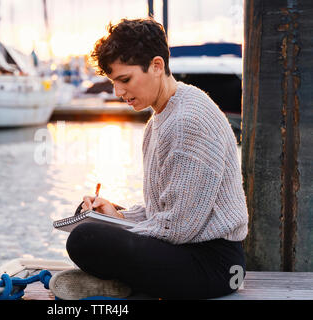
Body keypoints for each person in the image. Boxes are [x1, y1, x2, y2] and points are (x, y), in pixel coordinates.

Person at [49, 18, 248, 300]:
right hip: (188, 251)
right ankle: (123, 284)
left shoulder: (188, 120)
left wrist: (115, 227)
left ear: (157, 66)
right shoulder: (159, 119)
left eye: (124, 80)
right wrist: (117, 215)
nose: (118, 93)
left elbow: (178, 227)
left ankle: (122, 284)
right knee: (88, 222)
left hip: (217, 266)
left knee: (86, 239)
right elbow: (166, 210)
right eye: (114, 82)